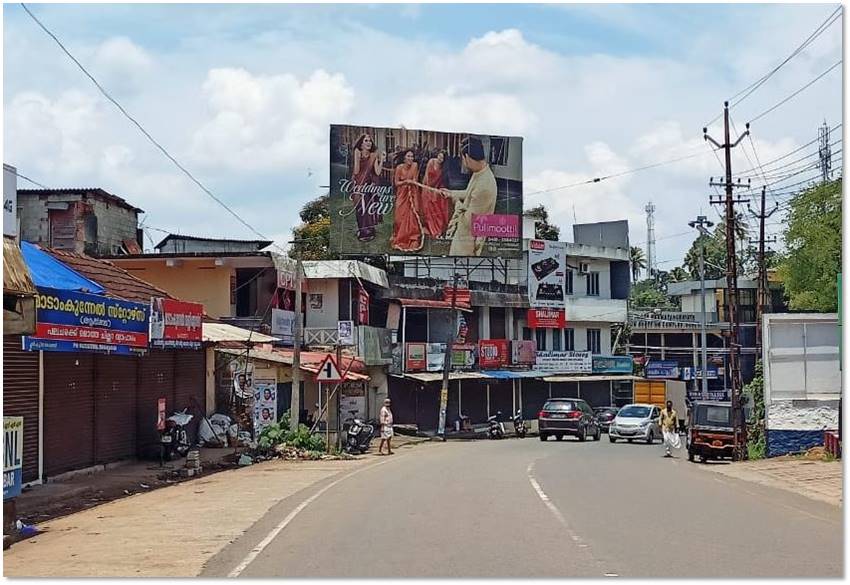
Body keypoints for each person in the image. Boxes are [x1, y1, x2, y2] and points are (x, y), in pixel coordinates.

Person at [440, 136, 497, 256]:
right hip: (463, 236)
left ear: (467, 158)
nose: (463, 162)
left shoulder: (485, 185)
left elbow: (469, 221)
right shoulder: (480, 172)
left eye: (462, 158)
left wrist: (456, 202)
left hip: (468, 244)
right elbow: (469, 193)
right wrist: (451, 193)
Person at [350, 133, 387, 242]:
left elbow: (378, 171)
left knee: (369, 208)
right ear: (361, 144)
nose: (369, 142)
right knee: (360, 207)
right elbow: (356, 171)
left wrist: (382, 160)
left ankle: (370, 231)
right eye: (366, 140)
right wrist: (357, 157)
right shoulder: (357, 152)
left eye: (370, 141)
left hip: (370, 186)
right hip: (358, 183)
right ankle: (363, 232)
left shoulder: (373, 155)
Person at [390, 150, 424, 252]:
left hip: (412, 193)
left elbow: (415, 180)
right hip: (402, 194)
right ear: (404, 158)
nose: (410, 158)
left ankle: (412, 237)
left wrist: (411, 182)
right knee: (399, 217)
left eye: (412, 156)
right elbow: (396, 183)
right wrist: (405, 182)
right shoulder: (399, 168)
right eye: (408, 156)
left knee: (413, 215)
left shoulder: (415, 165)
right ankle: (400, 235)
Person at [420, 150, 452, 237]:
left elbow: (439, 183)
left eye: (442, 158)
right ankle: (431, 228)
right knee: (428, 208)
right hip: (426, 188)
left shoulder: (443, 169)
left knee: (436, 208)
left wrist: (436, 191)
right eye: (439, 156)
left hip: (434, 190)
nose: (439, 159)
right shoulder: (431, 162)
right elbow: (426, 178)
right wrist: (428, 189)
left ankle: (437, 229)